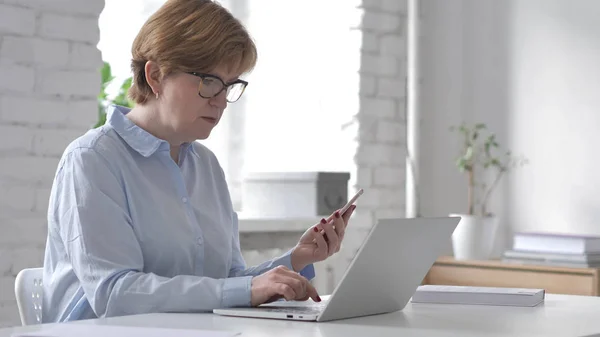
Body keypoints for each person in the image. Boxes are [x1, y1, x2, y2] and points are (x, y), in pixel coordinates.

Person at [41, 0, 355, 323]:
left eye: (229, 85)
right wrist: (245, 289)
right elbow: (116, 295)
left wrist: (297, 258)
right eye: (209, 82)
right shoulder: (91, 161)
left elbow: (229, 279)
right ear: (156, 76)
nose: (221, 101)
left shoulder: (207, 167)